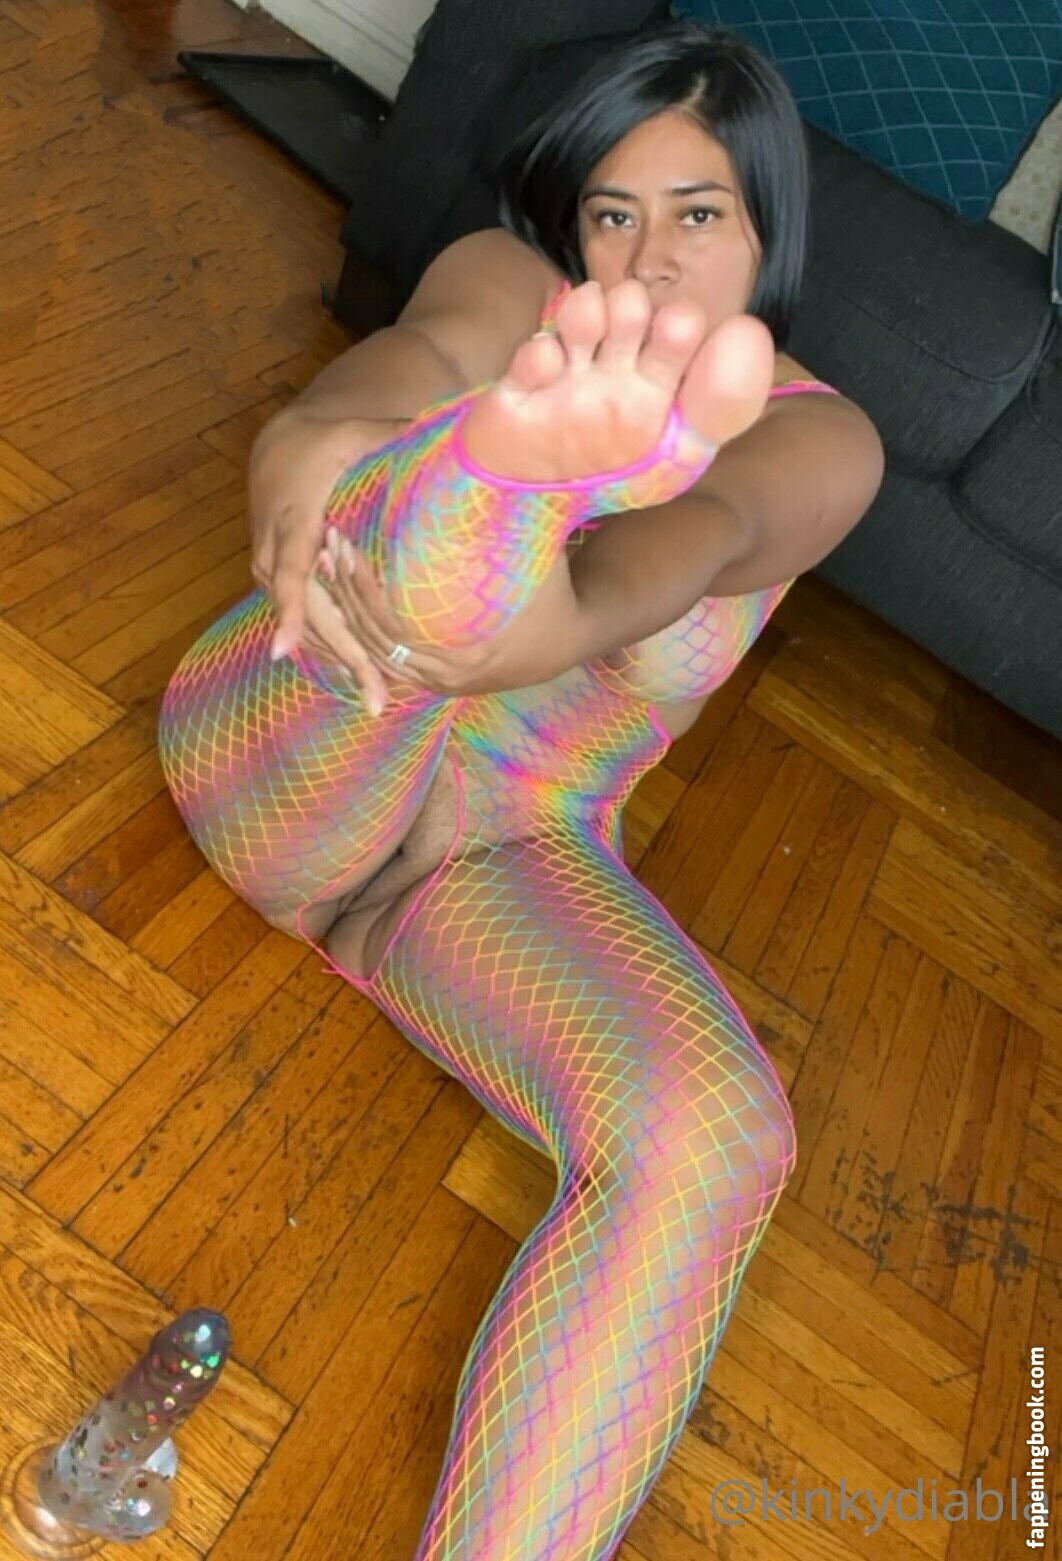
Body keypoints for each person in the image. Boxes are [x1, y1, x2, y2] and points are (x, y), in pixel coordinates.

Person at [160, 22, 883, 1559]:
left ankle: (511, 503)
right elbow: (369, 390)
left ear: (768, 229)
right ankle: (485, 500)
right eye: (613, 211)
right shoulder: (512, 284)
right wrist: (300, 464)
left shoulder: (820, 437)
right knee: (398, 505)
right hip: (300, 745)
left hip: (489, 866)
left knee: (717, 1141)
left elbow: (669, 559)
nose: (650, 256)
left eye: (699, 213)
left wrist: (593, 529)